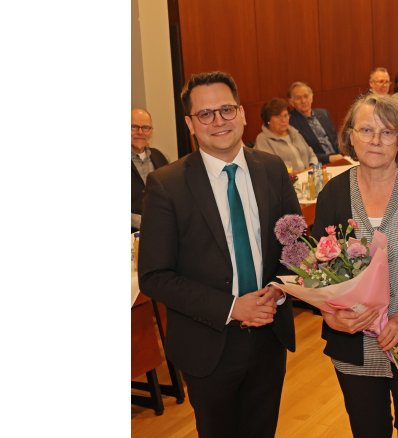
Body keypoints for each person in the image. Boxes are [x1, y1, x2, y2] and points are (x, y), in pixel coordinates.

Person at [138, 71, 300, 438]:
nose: (218, 121)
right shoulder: (167, 184)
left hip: (268, 336)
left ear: (242, 113)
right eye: (205, 114)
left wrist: (280, 286)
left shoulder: (272, 169)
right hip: (208, 343)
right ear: (189, 124)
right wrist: (231, 307)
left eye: (226, 110)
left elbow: (294, 246)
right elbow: (154, 275)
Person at [312, 94, 398, 437]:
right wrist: (331, 315)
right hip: (354, 343)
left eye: (387, 132)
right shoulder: (332, 193)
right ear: (350, 136)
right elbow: (317, 274)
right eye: (367, 129)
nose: (376, 140)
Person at [253, 97, 319, 171]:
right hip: (288, 180)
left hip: (309, 176)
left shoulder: (294, 132)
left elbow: (311, 154)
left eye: (285, 115)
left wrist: (312, 166)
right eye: (278, 117)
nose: (283, 120)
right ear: (268, 120)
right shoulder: (263, 139)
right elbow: (270, 168)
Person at [131, 108, 169, 231]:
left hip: (162, 229)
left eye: (146, 128)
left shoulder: (161, 157)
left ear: (151, 132)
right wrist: (145, 222)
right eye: (134, 127)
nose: (140, 132)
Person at [287, 81, 343, 164]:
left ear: (312, 97)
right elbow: (301, 154)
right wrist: (328, 158)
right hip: (318, 165)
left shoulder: (323, 113)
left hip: (340, 159)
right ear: (291, 102)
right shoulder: (290, 122)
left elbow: (335, 140)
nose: (303, 101)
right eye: (298, 98)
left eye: (306, 96)